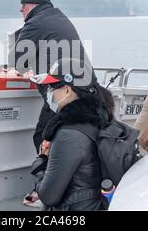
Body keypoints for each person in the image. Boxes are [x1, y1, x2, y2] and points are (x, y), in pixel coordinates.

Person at [8, 0, 91, 153]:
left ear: (33, 5)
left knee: (43, 137)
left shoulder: (36, 22)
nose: (20, 9)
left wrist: (19, 38)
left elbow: (17, 63)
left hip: (61, 92)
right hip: (85, 87)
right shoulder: (58, 17)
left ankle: (49, 177)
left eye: (23, 4)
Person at [28, 58, 113, 211]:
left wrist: (40, 161)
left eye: (52, 86)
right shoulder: (101, 118)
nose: (49, 91)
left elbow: (48, 197)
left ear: (67, 90)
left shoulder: (68, 135)